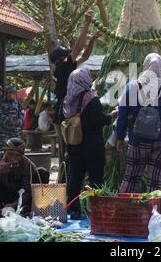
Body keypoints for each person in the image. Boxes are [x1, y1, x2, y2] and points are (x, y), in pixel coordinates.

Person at [116, 53, 161, 193]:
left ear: (145, 66)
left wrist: (119, 137)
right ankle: (154, 212)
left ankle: (123, 208)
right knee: (155, 181)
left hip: (137, 139)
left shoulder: (132, 86)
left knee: (131, 178)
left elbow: (122, 115)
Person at [49, 10, 101, 182]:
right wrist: (86, 24)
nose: (71, 55)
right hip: (65, 114)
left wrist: (92, 39)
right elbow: (78, 48)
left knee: (71, 149)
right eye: (67, 55)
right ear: (62, 59)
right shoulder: (63, 66)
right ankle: (65, 182)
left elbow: (84, 55)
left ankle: (67, 181)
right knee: (69, 151)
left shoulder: (66, 68)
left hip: (65, 112)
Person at [63, 67, 117, 219]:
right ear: (85, 80)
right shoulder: (90, 97)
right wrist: (111, 115)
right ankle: (97, 211)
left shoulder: (67, 99)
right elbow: (99, 120)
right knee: (95, 179)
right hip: (92, 146)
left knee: (75, 178)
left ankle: (74, 210)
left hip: (74, 145)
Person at [0, 138, 49, 213]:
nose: (13, 158)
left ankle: (30, 210)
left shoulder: (27, 165)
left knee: (42, 172)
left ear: (22, 155)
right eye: (10, 154)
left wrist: (14, 204)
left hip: (18, 197)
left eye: (17, 156)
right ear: (4, 152)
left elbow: (27, 191)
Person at [0, 87, 24, 152]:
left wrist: (19, 121)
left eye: (15, 94)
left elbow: (22, 114)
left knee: (17, 149)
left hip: (15, 131)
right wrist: (7, 119)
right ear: (8, 94)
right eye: (13, 94)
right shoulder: (1, 103)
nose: (15, 95)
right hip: (4, 131)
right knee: (3, 149)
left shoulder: (18, 103)